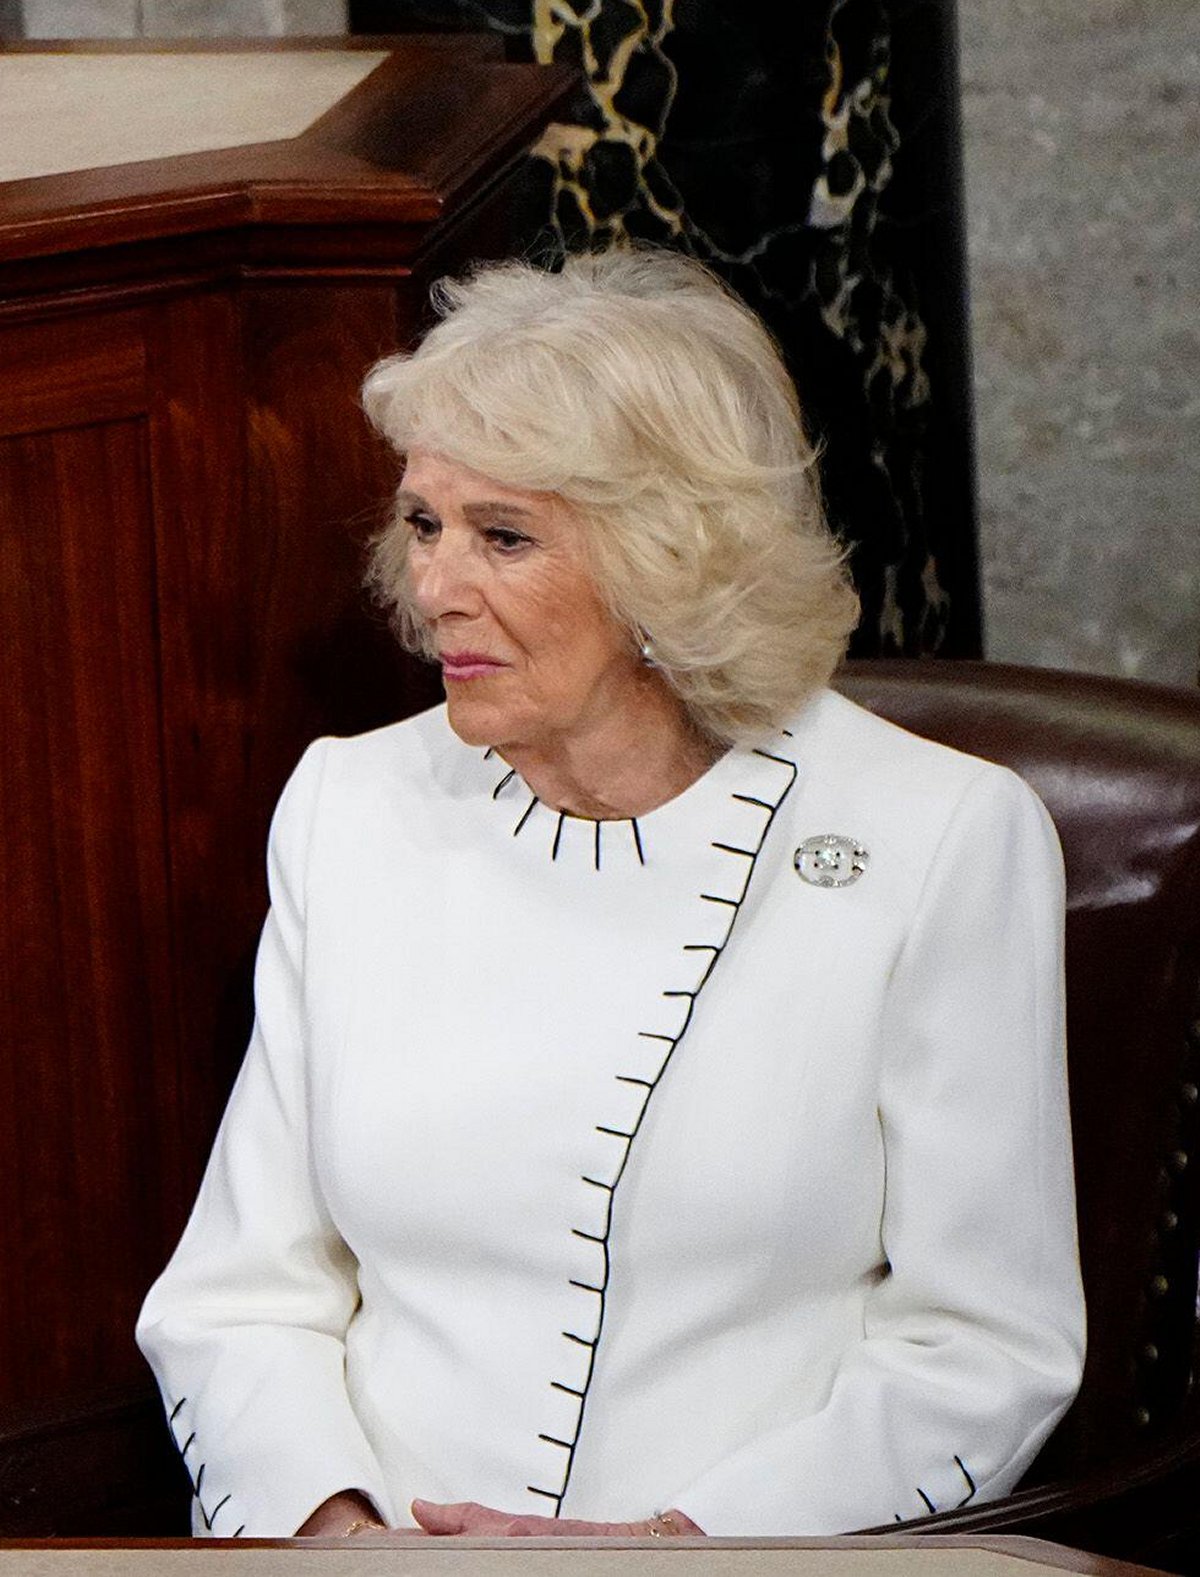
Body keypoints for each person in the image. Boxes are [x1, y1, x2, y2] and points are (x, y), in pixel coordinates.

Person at [136, 247, 1085, 1542]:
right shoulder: (346, 809)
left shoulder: (943, 837)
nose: (433, 584)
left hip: (753, 1569)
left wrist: (671, 1550)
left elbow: (988, 1348)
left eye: (503, 536)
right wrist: (335, 1534)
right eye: (425, 522)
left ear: (670, 559)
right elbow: (241, 1298)